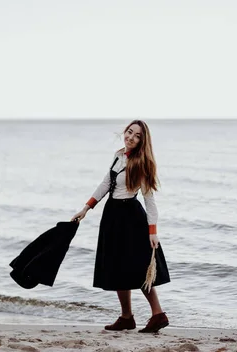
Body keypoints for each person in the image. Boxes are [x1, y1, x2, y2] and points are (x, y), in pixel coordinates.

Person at [71, 119, 171, 333]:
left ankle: (158, 314)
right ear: (124, 132)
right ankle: (126, 317)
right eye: (129, 132)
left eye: (137, 136)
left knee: (140, 267)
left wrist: (152, 231)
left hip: (131, 218)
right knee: (118, 267)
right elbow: (106, 183)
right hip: (113, 216)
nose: (131, 138)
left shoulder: (142, 163)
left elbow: (149, 199)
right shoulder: (118, 155)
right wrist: (86, 208)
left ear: (143, 141)